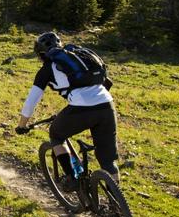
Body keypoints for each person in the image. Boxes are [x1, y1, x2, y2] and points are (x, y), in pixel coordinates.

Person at [15, 31, 119, 189]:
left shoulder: (47, 69)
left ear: (41, 54)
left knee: (56, 135)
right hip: (107, 105)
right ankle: (117, 204)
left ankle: (72, 178)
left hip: (81, 108)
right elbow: (106, 82)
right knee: (108, 160)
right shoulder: (81, 58)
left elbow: (32, 100)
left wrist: (22, 125)